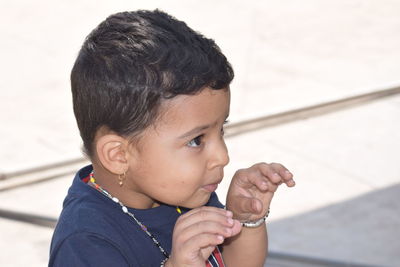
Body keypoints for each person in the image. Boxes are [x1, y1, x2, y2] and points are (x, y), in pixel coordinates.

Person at [49, 9, 295, 267]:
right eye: (196, 140)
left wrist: (246, 220)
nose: (222, 157)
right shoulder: (85, 242)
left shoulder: (187, 192)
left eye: (220, 130)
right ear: (119, 155)